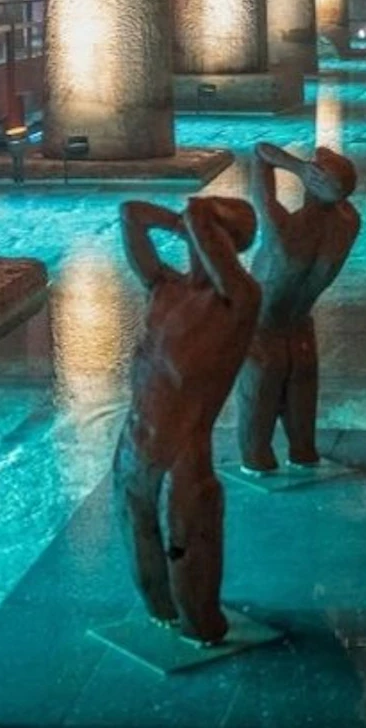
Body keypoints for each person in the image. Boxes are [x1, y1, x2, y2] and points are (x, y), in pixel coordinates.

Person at [112, 196, 260, 645]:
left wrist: (197, 219)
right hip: (134, 442)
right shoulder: (164, 286)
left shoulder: (239, 302)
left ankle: (202, 624)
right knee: (137, 534)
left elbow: (206, 233)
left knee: (189, 549)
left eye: (210, 230)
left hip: (183, 452)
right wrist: (182, 223)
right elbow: (130, 213)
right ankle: (160, 612)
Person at [236, 142, 360, 474]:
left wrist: (298, 167)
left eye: (316, 168)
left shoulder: (283, 231)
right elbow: (338, 186)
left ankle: (257, 461)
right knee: (302, 414)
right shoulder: (350, 223)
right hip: (300, 326)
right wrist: (324, 175)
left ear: (314, 181)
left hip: (262, 327)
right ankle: (302, 454)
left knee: (256, 413)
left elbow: (260, 153)